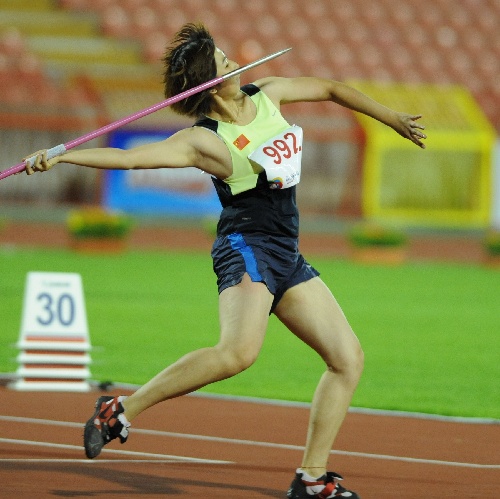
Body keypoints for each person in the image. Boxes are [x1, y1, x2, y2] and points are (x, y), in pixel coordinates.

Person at [25, 23, 426, 499]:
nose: (237, 64)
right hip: (246, 246)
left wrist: (391, 118)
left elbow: (333, 89)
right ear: (207, 85)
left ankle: (311, 478)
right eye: (223, 63)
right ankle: (120, 410)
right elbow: (132, 159)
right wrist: (64, 157)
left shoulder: (269, 94)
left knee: (347, 359)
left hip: (286, 251)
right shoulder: (205, 141)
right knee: (238, 353)